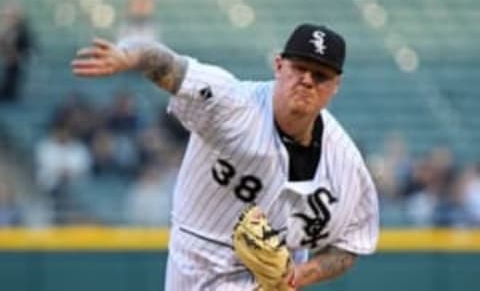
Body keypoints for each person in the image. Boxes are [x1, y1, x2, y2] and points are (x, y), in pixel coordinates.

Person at [72, 23, 379, 290]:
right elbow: (167, 63)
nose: (308, 80)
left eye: (321, 75)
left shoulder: (345, 163)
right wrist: (128, 56)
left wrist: (299, 275)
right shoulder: (232, 104)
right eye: (300, 67)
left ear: (335, 86)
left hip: (270, 281)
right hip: (196, 260)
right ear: (279, 65)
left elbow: (349, 244)